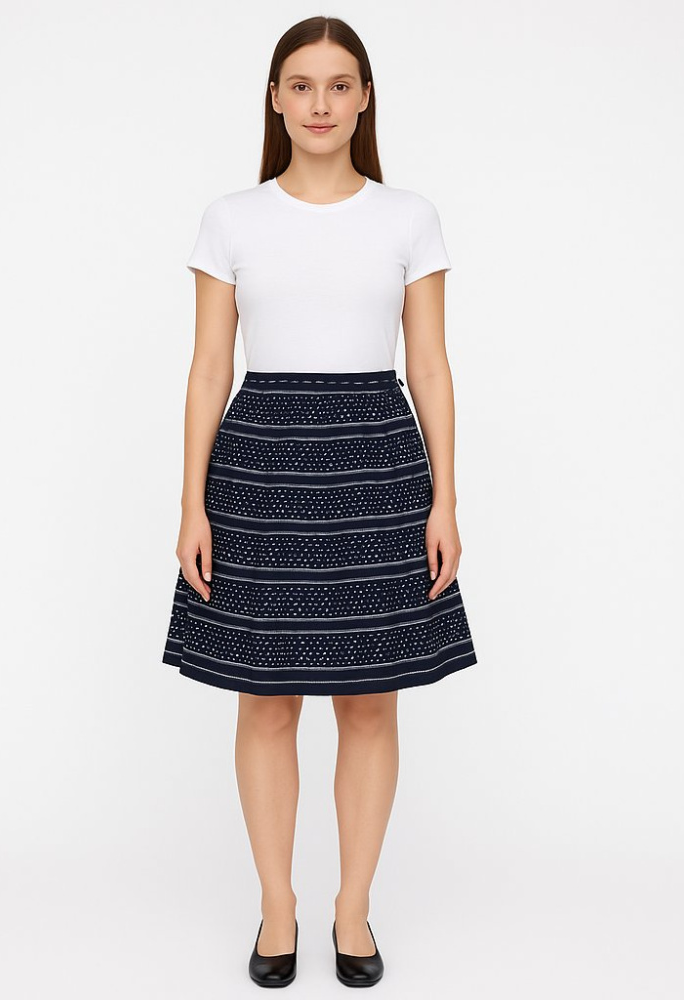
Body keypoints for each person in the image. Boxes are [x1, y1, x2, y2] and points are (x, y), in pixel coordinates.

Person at [162, 16, 477, 988]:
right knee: (265, 704)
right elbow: (209, 367)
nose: (320, 104)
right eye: (301, 85)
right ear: (275, 99)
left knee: (370, 704)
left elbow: (429, 366)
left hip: (377, 465)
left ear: (365, 98)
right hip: (260, 468)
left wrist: (445, 500)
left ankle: (352, 910)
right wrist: (191, 506)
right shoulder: (231, 218)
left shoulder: (408, 217)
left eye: (340, 85)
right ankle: (276, 909)